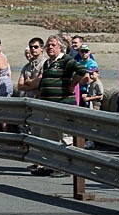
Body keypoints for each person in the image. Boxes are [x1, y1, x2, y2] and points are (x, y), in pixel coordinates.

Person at [35, 34, 89, 177]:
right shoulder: (47, 63)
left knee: (65, 138)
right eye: (48, 45)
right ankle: (49, 165)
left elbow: (82, 71)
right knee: (48, 137)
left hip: (63, 106)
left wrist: (72, 85)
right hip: (48, 108)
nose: (50, 47)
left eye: (53, 45)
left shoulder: (66, 60)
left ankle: (66, 168)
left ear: (61, 47)